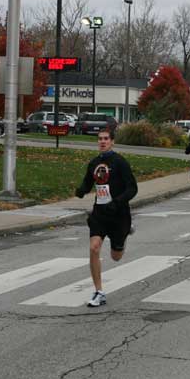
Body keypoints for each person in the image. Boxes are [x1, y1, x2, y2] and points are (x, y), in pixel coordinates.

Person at [75, 128, 138, 307]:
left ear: (112, 142)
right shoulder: (94, 163)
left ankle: (124, 234)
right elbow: (89, 181)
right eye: (100, 139)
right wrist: (81, 190)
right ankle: (99, 291)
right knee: (94, 248)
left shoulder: (120, 162)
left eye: (106, 139)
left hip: (118, 214)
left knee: (116, 256)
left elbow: (132, 188)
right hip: (100, 214)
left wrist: (117, 202)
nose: (102, 142)